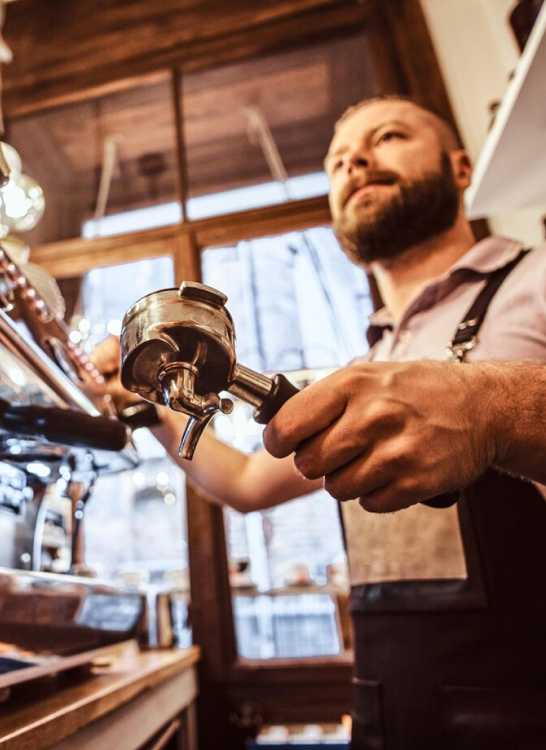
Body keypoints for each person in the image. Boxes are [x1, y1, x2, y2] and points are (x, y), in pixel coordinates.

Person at [95, 95, 546, 749]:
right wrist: (156, 410)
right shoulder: (368, 364)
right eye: (335, 162)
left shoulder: (536, 279)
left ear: (461, 167)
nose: (354, 161)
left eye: (387, 137)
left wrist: (492, 410)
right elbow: (246, 484)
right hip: (387, 712)